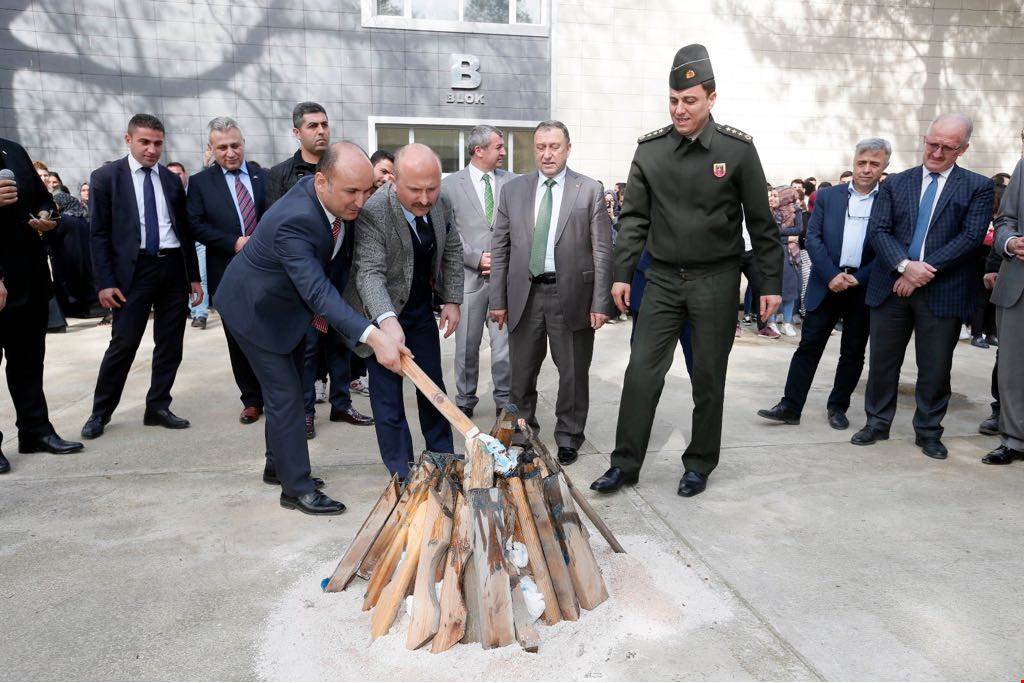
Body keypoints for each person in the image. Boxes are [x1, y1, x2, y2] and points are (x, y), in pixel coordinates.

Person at [590, 44, 783, 498]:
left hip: (715, 281)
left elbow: (761, 221)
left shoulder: (737, 151)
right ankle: (625, 464)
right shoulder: (651, 151)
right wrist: (622, 273)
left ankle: (698, 462)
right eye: (674, 100)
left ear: (711, 98)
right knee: (641, 374)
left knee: (709, 376)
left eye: (690, 100)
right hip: (660, 279)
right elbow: (634, 218)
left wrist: (769, 283)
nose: (679, 109)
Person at [216, 142, 407, 514]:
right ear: (321, 181)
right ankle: (296, 488)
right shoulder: (296, 219)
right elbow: (319, 292)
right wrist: (373, 335)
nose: (361, 200)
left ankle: (278, 466)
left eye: (367, 190)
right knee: (286, 396)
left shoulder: (334, 205)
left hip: (284, 307)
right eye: (352, 191)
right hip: (254, 311)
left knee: (284, 392)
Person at [852, 113, 994, 459]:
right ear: (924, 140)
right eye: (933, 143)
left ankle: (929, 431)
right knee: (883, 362)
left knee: (934, 367)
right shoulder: (895, 184)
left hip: (942, 291)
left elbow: (972, 237)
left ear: (963, 149)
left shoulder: (977, 186)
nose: (937, 151)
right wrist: (904, 266)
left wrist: (922, 271)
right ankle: (877, 423)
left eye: (948, 147)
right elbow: (879, 231)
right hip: (891, 287)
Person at [489, 121, 614, 466]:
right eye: (541, 146)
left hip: (571, 295)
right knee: (521, 373)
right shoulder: (513, 191)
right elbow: (500, 249)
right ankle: (521, 433)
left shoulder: (587, 190)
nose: (547, 154)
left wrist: (601, 302)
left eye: (554, 146)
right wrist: (497, 301)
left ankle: (570, 435)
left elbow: (603, 249)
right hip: (524, 296)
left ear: (568, 148)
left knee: (572, 373)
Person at [80, 114, 203, 440]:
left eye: (158, 143)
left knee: (170, 343)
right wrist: (104, 282)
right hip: (131, 273)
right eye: (144, 142)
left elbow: (185, 232)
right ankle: (100, 412)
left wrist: (193, 276)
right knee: (123, 344)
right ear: (128, 140)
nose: (151, 149)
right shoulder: (106, 177)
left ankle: (158, 406)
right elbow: (99, 234)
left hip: (173, 267)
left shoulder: (170, 180)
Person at [346, 143, 463, 479]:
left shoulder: (442, 203)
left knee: (432, 388)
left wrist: (452, 299)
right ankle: (402, 471)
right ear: (394, 181)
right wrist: (386, 322)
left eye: (432, 188)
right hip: (379, 315)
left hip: (420, 310)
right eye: (415, 190)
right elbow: (368, 273)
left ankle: (443, 459)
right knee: (388, 399)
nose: (425, 199)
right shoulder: (374, 211)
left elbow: (451, 249)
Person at [758, 138, 888, 430]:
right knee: (809, 345)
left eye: (874, 164)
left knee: (853, 352)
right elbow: (812, 237)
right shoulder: (830, 197)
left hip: (863, 286)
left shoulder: (889, 199)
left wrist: (858, 277)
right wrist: (831, 275)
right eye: (861, 163)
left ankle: (838, 407)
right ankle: (790, 405)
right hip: (825, 282)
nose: (866, 170)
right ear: (853, 162)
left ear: (884, 167)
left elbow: (890, 245)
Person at [0, 136, 85, 474]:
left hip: (28, 276)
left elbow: (42, 197)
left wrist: (47, 216)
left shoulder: (14, 150)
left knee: (28, 361)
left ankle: (35, 431)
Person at [186, 117, 269, 425]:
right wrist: (234, 242)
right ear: (212, 149)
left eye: (235, 145)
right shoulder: (200, 183)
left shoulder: (263, 176)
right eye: (222, 147)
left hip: (268, 272)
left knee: (271, 333)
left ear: (243, 143)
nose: (230, 153)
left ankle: (276, 394)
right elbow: (194, 224)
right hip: (228, 271)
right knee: (238, 337)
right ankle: (251, 399)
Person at [442, 125, 512, 419]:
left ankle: (504, 400)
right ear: (478, 150)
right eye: (498, 146)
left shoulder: (513, 182)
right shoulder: (449, 186)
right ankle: (465, 398)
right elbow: (448, 232)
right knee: (467, 347)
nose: (504, 152)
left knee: (504, 348)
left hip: (504, 282)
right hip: (468, 279)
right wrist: (475, 257)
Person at [983, 157, 1024, 465]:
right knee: (1013, 369)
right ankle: (1014, 440)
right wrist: (1010, 242)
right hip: (1018, 284)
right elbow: (1004, 220)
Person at [167, 161, 209, 329]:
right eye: (171, 175)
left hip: (199, 242)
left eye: (178, 174)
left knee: (201, 278)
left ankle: (200, 314)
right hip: (179, 245)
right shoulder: (166, 196)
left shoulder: (195, 191)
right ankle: (190, 310)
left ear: (185, 175)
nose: (175, 178)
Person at [267, 102, 330, 205]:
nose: (321, 131)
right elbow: (275, 218)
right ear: (297, 133)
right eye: (313, 126)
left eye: (324, 125)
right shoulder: (279, 174)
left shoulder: (341, 166)